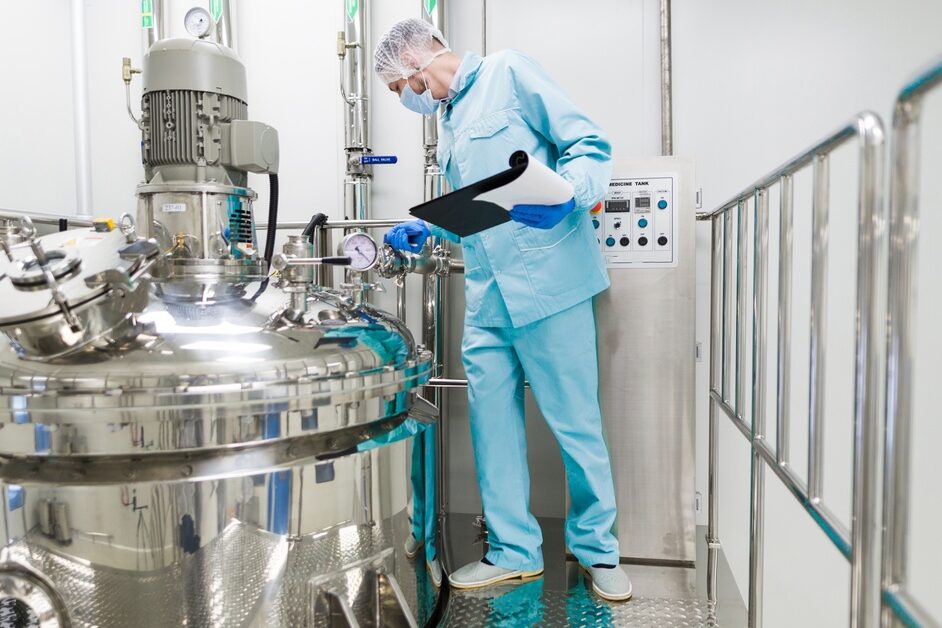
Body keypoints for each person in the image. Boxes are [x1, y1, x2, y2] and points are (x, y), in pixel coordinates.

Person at [373, 18, 632, 602]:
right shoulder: (447, 122)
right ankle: (514, 551)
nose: (407, 99)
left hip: (549, 285)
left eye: (399, 88)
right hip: (488, 296)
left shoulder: (508, 72)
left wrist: (570, 195)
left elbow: (589, 145)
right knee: (492, 426)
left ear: (415, 63)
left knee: (575, 423)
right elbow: (481, 205)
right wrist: (429, 225)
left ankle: (598, 550)